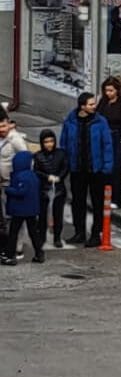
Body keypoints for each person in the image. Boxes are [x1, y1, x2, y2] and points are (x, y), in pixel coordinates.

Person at [61, 92, 114, 247]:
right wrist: (65, 164)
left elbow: (107, 145)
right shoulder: (70, 121)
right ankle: (79, 232)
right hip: (77, 169)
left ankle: (96, 234)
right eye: (91, 104)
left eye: (94, 104)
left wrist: (107, 167)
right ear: (82, 106)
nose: (94, 106)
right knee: (77, 201)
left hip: (96, 170)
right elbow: (64, 143)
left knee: (97, 203)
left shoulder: (101, 121)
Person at [3, 151, 43, 265]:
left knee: (13, 233)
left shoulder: (22, 176)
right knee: (33, 232)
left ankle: (10, 256)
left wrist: (8, 189)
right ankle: (39, 254)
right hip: (31, 210)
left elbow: (21, 192)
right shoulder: (33, 175)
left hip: (20, 211)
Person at [97, 77, 121, 208]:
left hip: (117, 138)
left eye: (111, 90)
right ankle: (104, 195)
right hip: (104, 138)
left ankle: (116, 199)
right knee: (104, 167)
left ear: (117, 90)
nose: (108, 93)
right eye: (106, 90)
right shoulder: (103, 102)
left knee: (116, 168)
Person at [0, 109, 29, 256]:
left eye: (3, 126)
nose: (2, 130)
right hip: (1, 186)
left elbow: (26, 160)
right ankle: (7, 245)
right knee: (4, 217)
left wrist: (22, 182)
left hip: (12, 185)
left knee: (16, 217)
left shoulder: (15, 139)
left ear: (9, 124)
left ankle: (17, 246)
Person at [34, 130, 68, 249]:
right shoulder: (38, 156)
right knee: (42, 215)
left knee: (58, 215)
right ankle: (42, 237)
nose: (49, 144)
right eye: (46, 142)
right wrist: (47, 177)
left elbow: (65, 167)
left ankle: (57, 237)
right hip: (43, 189)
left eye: (51, 141)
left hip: (59, 189)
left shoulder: (61, 154)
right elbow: (36, 171)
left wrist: (59, 177)